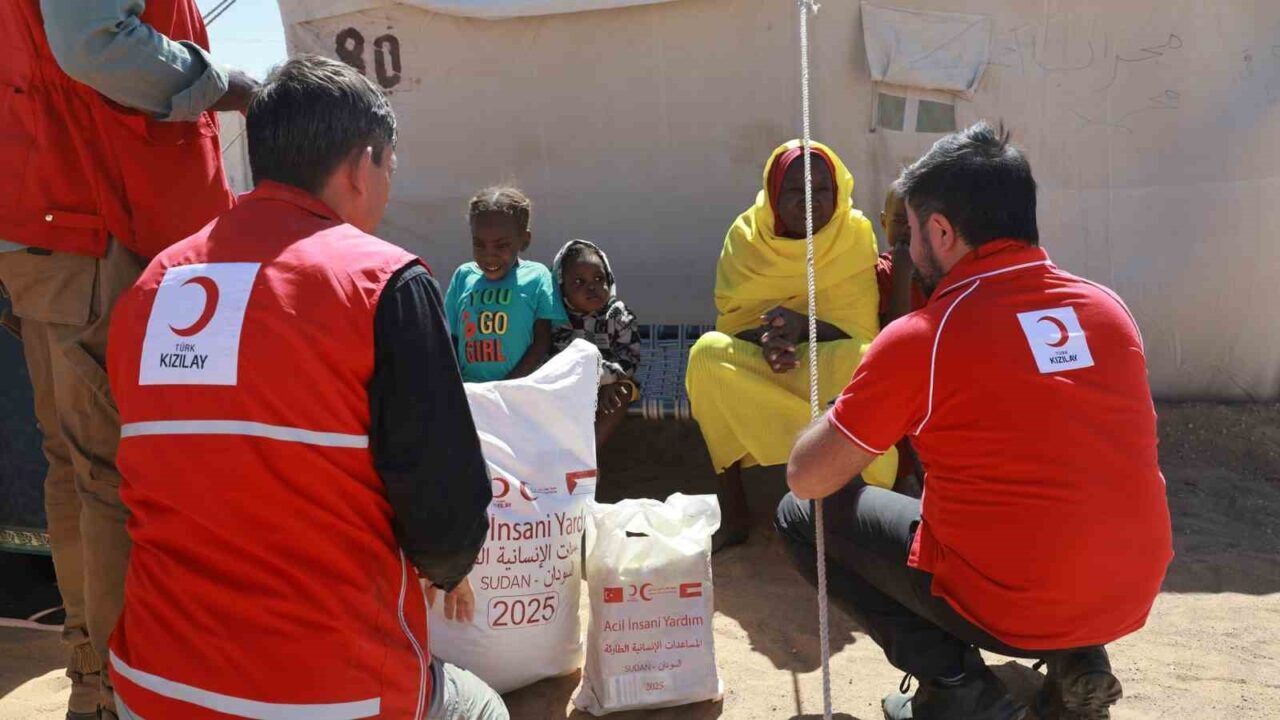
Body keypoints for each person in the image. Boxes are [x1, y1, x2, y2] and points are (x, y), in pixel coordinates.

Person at [105, 56, 507, 719]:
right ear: (361, 166)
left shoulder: (154, 287)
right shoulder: (383, 281)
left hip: (151, 687)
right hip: (333, 695)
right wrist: (449, 570)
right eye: (390, 166)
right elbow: (447, 517)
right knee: (483, 707)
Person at [778, 122, 1173, 720]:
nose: (907, 247)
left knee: (800, 515)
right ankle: (1077, 664)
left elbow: (807, 476)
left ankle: (959, 688)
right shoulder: (1107, 309)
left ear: (941, 231)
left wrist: (844, 404)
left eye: (911, 231)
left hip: (1010, 606)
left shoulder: (925, 336)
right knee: (1059, 494)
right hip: (1128, 592)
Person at [0, 2, 255, 717]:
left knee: (78, 464)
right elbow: (94, 44)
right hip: (99, 223)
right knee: (112, 470)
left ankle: (97, 679)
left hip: (60, 225)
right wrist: (223, 83)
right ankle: (122, 690)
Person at [685, 140, 898, 551]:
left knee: (866, 360)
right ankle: (734, 511)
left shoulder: (854, 234)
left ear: (837, 191)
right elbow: (733, 323)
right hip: (765, 367)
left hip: (828, 361)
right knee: (706, 356)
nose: (810, 201)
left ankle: (850, 494)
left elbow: (861, 333)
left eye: (822, 189)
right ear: (773, 194)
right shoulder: (745, 237)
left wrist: (804, 329)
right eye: (795, 190)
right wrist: (765, 341)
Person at [444, 186, 569, 382]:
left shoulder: (537, 277)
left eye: (501, 245)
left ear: (524, 241)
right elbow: (450, 338)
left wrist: (507, 387)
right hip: (470, 391)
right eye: (479, 244)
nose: (489, 255)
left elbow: (542, 342)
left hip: (517, 391)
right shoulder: (463, 276)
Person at [550, 239, 642, 448]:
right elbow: (558, 361)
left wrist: (606, 383)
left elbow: (629, 359)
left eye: (599, 278)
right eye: (579, 282)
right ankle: (561, 453)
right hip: (570, 383)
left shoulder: (617, 315)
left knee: (622, 393)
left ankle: (588, 454)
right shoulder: (557, 320)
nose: (592, 287)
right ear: (561, 287)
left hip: (612, 381)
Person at [874, 186, 929, 496]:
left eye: (917, 222)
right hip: (898, 386)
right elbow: (893, 337)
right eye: (899, 221)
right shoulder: (881, 272)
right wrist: (902, 275)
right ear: (884, 223)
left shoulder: (940, 274)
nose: (908, 230)